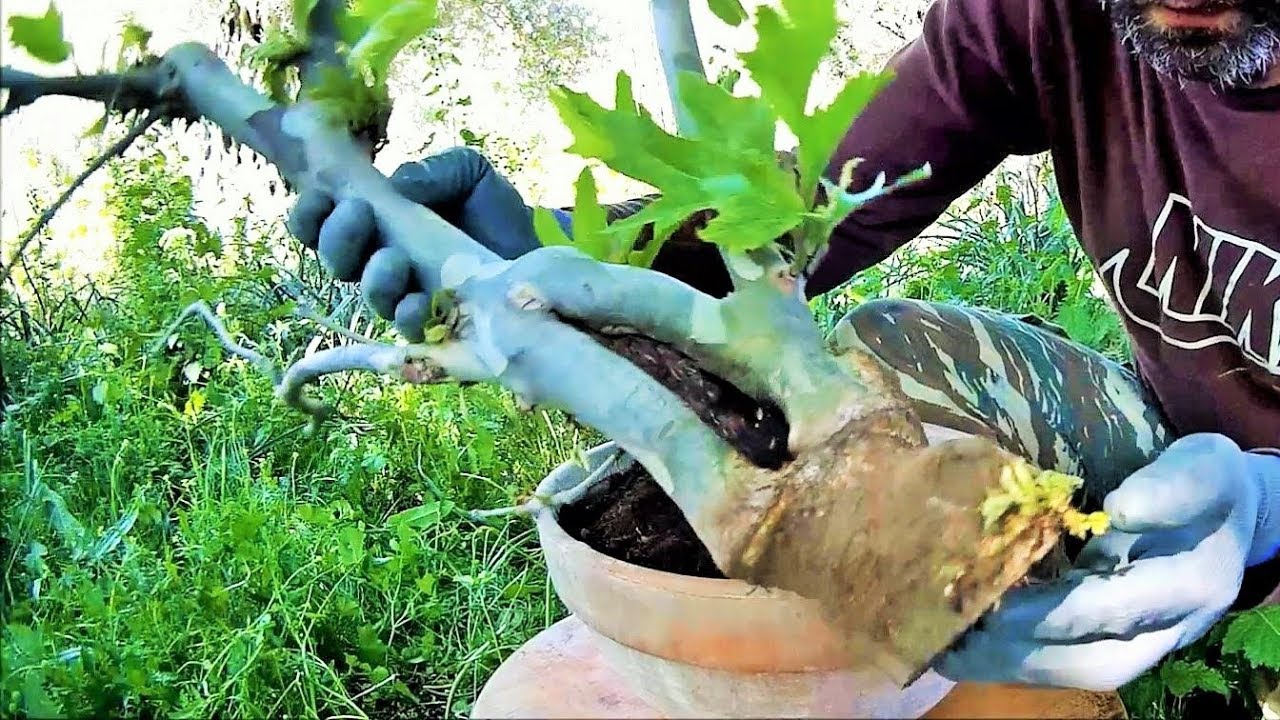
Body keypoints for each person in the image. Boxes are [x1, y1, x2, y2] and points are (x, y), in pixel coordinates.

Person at [285, 0, 1279, 694]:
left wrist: (1263, 506)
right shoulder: (1052, 13)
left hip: (1246, 494)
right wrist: (559, 249)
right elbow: (803, 210)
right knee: (896, 353)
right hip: (1185, 454)